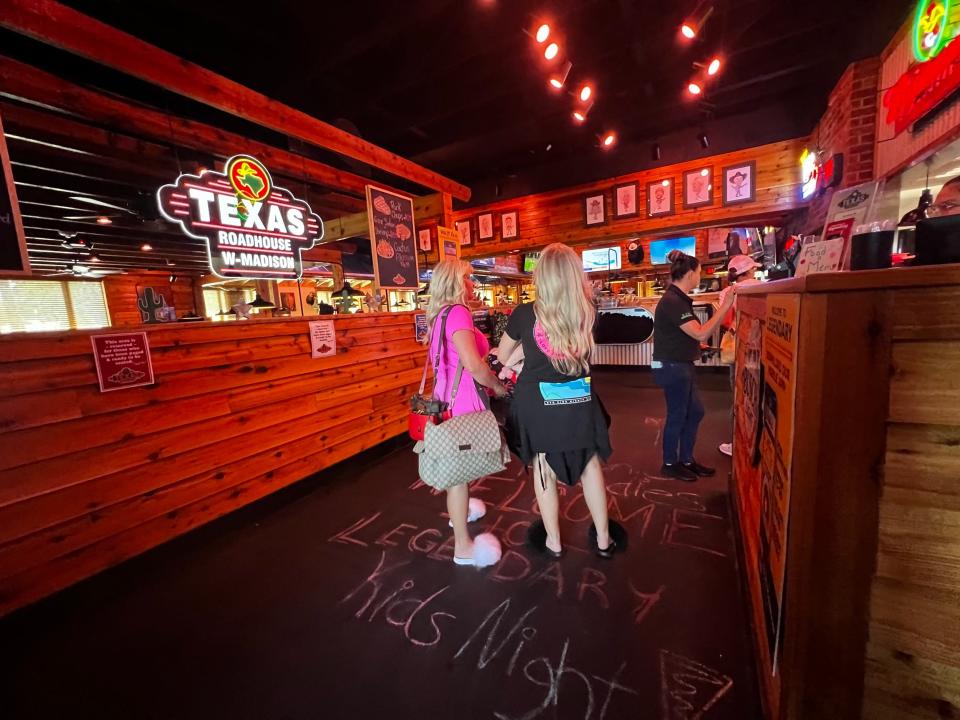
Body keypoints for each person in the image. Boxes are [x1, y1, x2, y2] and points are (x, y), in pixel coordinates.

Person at [497, 243, 616, 559]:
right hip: (579, 398)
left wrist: (525, 356)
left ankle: (553, 542)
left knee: (542, 467)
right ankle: (604, 540)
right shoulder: (588, 312)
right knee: (590, 464)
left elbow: (502, 355)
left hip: (538, 403)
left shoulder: (524, 314)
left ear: (542, 277)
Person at [425, 259, 509, 567]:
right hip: (461, 404)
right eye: (469, 278)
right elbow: (474, 366)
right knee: (459, 475)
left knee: (458, 469)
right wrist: (498, 387)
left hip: (444, 398)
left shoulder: (438, 315)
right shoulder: (459, 313)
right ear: (457, 282)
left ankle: (462, 512)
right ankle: (463, 547)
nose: (473, 284)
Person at [652, 250, 735, 481]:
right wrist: (725, 306)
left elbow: (689, 335)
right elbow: (699, 333)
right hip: (672, 367)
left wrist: (698, 343)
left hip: (680, 364)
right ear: (690, 274)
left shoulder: (678, 299)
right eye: (699, 272)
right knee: (678, 414)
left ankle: (686, 459)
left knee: (695, 412)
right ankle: (670, 463)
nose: (700, 276)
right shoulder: (672, 301)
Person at [718, 255, 762, 457]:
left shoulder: (728, 292)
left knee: (739, 394)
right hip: (762, 347)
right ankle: (757, 444)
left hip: (738, 347)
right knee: (758, 395)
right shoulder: (765, 286)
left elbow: (725, 322)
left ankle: (737, 444)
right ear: (749, 271)